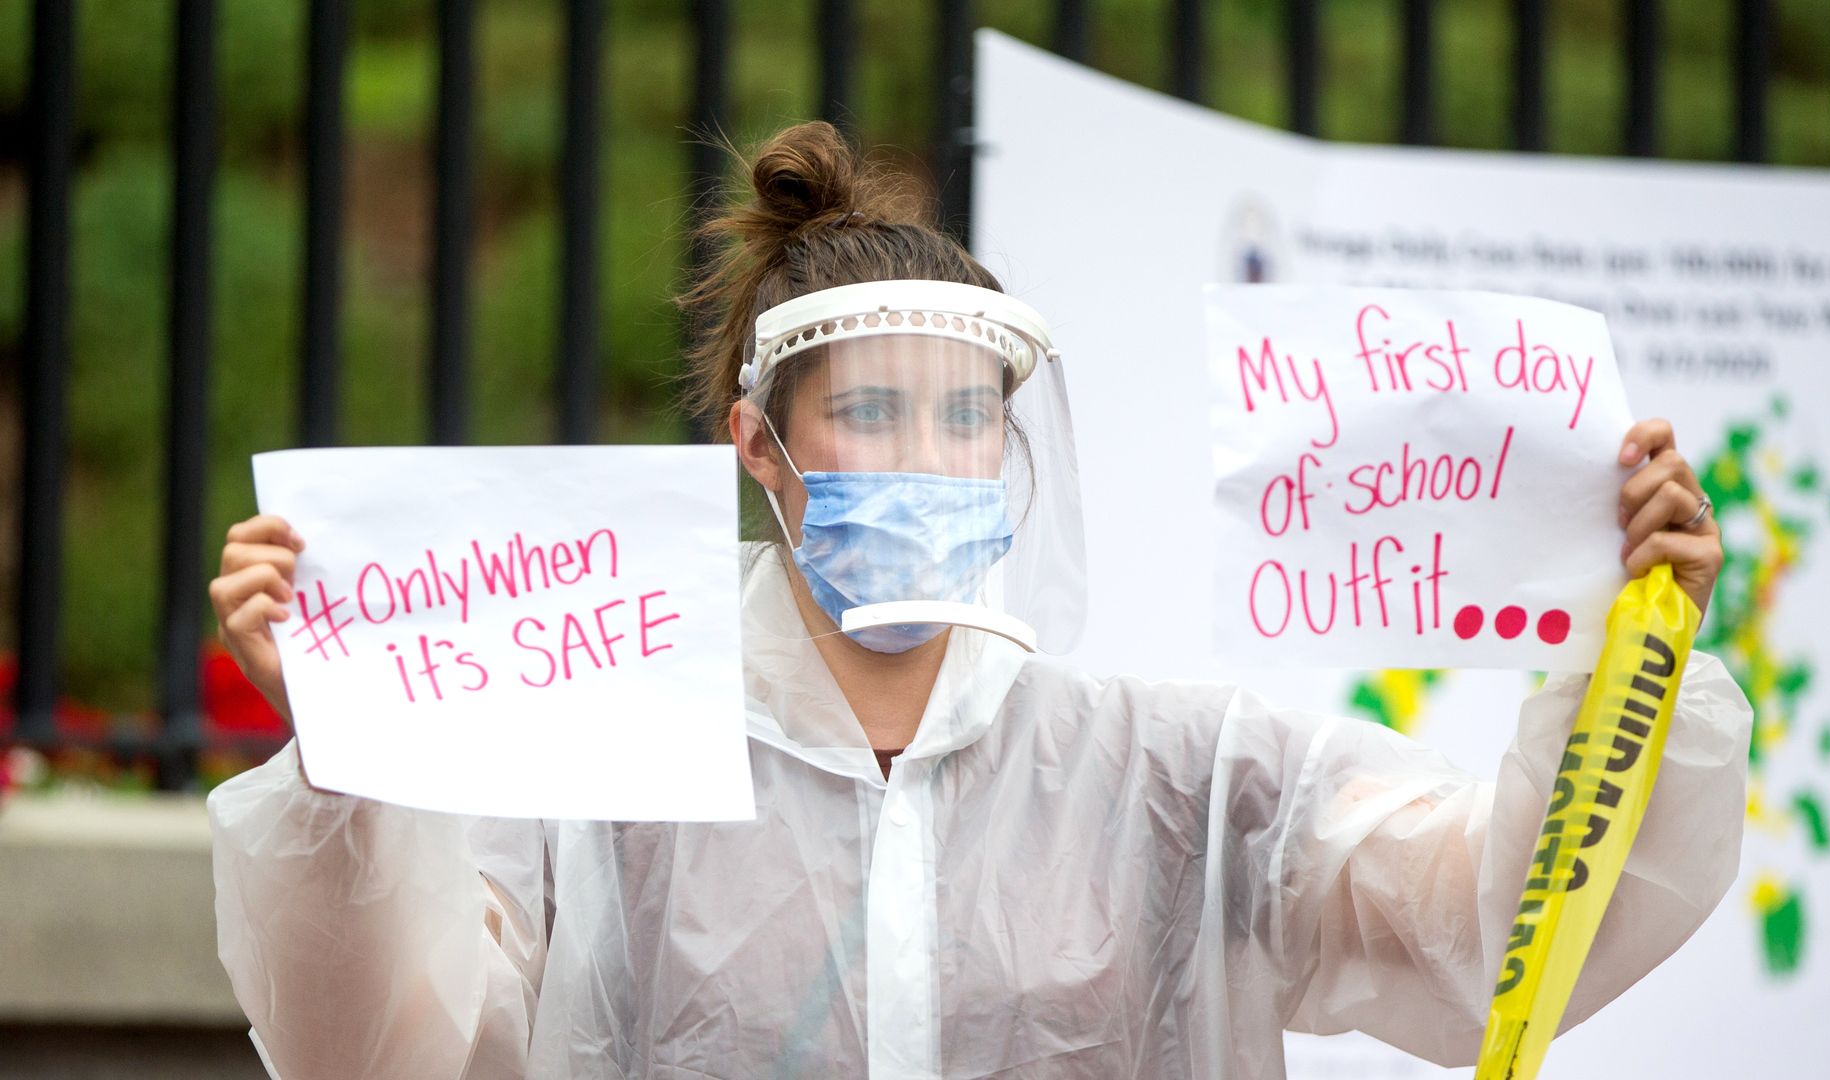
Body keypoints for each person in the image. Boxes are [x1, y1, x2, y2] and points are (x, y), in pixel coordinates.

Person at [205, 121, 1749, 1080]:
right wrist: (351, 746)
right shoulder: (600, 771)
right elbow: (384, 1053)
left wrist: (1638, 657)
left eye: (963, 420)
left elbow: (1496, 929)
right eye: (869, 416)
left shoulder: (1178, 777)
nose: (929, 461)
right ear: (761, 445)